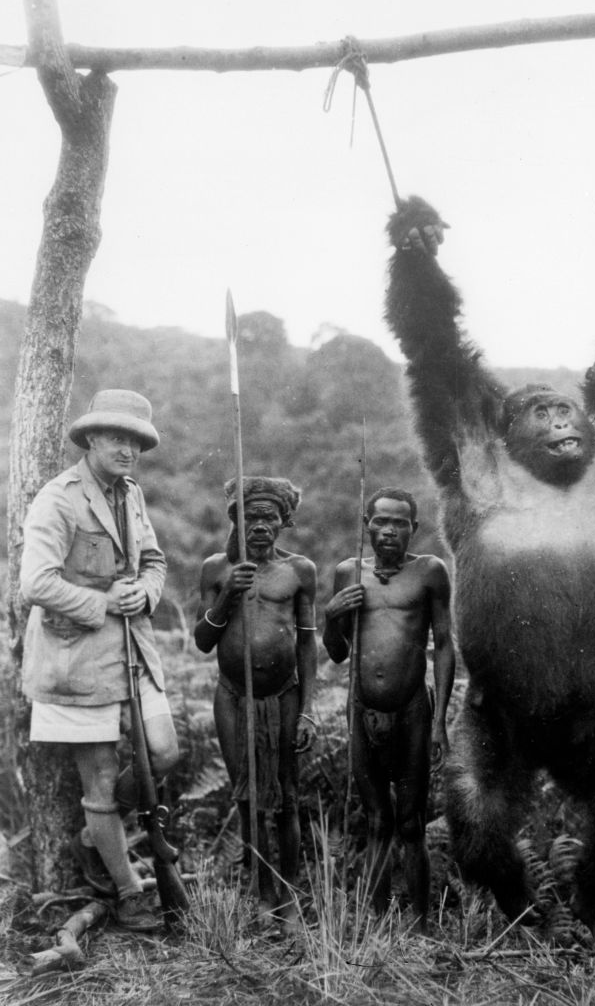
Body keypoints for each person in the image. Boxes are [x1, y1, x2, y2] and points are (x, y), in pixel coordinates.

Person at [20, 389, 179, 933]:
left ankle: (95, 837)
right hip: (76, 658)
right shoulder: (58, 498)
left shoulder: (130, 494)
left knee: (163, 751)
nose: (128, 449)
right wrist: (104, 602)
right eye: (117, 437)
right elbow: (35, 582)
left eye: (136, 440)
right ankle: (129, 890)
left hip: (133, 648)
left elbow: (154, 560)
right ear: (90, 438)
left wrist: (146, 594)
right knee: (102, 783)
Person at [323, 486, 456, 928]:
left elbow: (444, 647)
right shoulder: (348, 573)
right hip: (363, 712)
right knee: (377, 821)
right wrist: (333, 615)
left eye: (399, 522)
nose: (389, 530)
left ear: (413, 529)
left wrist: (440, 723)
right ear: (367, 526)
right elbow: (337, 653)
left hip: (414, 712)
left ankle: (422, 927)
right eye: (380, 521)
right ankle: (377, 924)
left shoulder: (430, 573)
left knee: (412, 824)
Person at [193, 476, 317, 930]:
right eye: (251, 516)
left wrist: (306, 709)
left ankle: (287, 897)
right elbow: (203, 641)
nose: (261, 525)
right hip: (233, 696)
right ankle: (259, 894)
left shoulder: (299, 571)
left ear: (284, 521)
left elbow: (307, 646)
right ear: (236, 520)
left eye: (270, 517)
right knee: (245, 800)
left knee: (285, 798)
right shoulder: (215, 569)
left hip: (283, 697)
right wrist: (227, 595)